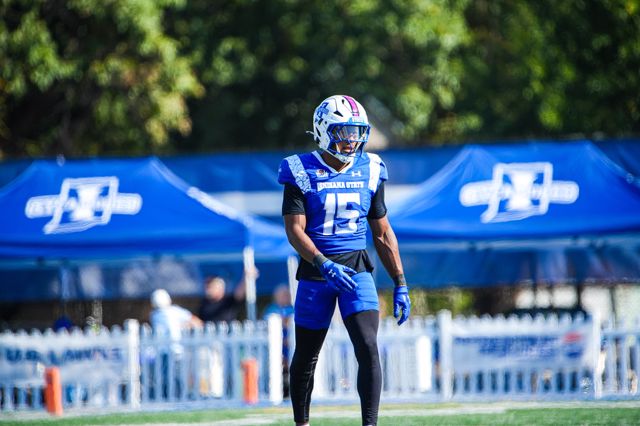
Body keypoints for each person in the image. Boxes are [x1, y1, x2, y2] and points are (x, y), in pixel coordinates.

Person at [278, 95, 411, 426]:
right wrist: (322, 262)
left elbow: (382, 232)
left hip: (356, 269)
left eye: (356, 132)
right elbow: (295, 230)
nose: (352, 139)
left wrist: (400, 282)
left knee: (368, 346)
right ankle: (302, 423)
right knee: (307, 354)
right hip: (316, 270)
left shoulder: (372, 169)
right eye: (344, 132)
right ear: (323, 131)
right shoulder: (299, 169)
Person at [263, 284, 295, 398]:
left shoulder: (293, 308)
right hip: (277, 344)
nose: (284, 297)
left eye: (286, 295)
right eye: (281, 295)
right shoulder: (271, 309)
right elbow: (270, 322)